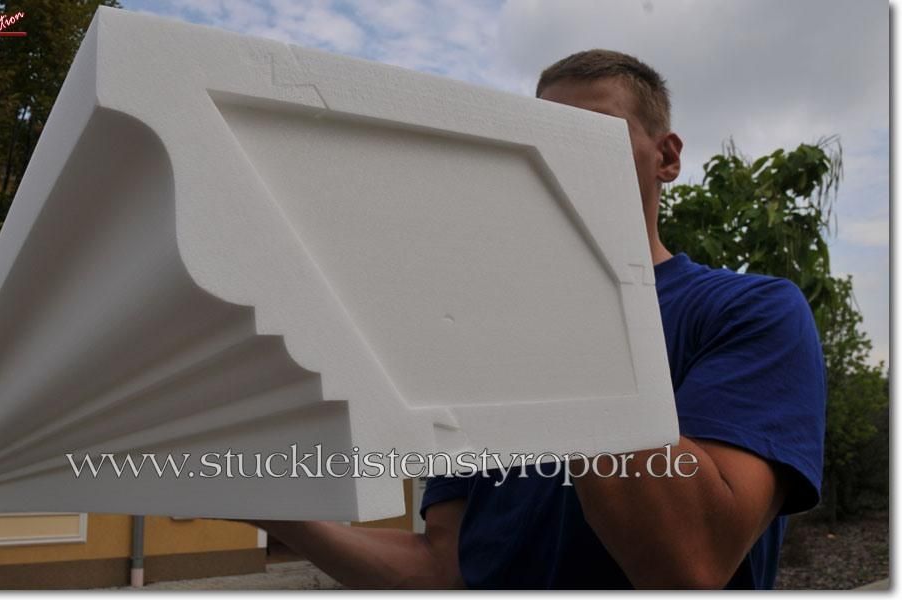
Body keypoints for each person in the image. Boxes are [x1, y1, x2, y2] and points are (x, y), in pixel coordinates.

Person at [249, 49, 826, 590]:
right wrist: (280, 515)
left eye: (592, 134)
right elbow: (445, 566)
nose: (556, 157)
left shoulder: (751, 311)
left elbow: (689, 563)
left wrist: (557, 283)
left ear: (667, 157)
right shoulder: (483, 345)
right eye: (540, 138)